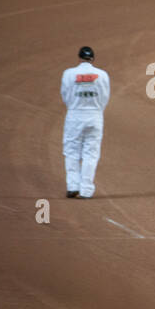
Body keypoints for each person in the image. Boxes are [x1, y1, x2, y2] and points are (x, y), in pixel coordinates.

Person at [60, 46, 111, 199]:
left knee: (71, 151)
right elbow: (105, 96)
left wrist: (74, 106)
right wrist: (96, 109)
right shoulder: (102, 75)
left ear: (79, 58)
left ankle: (72, 185)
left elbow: (65, 94)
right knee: (91, 153)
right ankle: (86, 189)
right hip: (95, 115)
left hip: (75, 114)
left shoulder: (69, 74)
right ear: (92, 59)